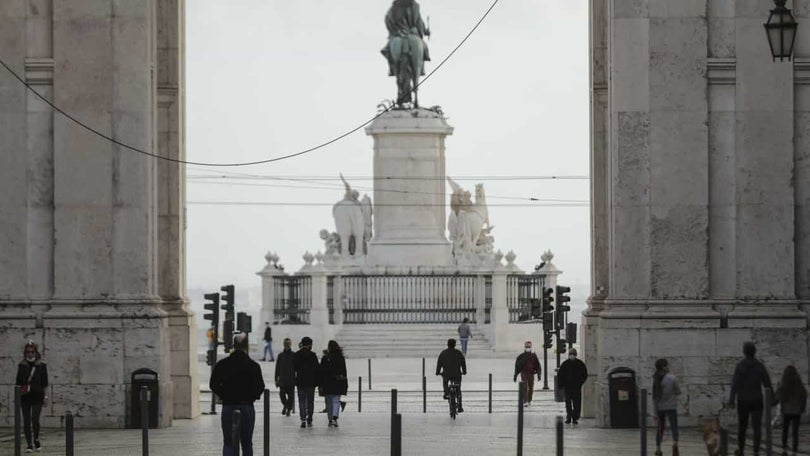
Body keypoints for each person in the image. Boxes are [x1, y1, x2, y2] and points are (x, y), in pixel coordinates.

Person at [209, 333, 265, 456]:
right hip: (247, 406)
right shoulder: (253, 366)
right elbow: (260, 386)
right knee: (246, 442)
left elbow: (213, 384)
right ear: (246, 346)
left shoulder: (223, 364)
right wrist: (252, 396)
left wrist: (224, 394)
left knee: (228, 441)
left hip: (228, 405)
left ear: (233, 345)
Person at [729, 341, 773, 456]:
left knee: (742, 427)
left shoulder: (740, 366)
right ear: (754, 351)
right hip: (757, 399)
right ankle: (756, 451)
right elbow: (767, 383)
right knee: (757, 427)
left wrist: (731, 400)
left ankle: (741, 450)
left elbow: (735, 384)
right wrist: (772, 398)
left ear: (744, 352)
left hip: (743, 400)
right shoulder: (759, 366)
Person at [15, 341, 48, 453]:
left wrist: (46, 396)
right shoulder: (21, 365)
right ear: (25, 352)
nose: (30, 354)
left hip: (38, 396)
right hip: (25, 396)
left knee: (35, 419)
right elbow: (18, 383)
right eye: (28, 352)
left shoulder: (41, 366)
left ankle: (36, 439)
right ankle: (29, 443)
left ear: (36, 352)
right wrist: (17, 397)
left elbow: (45, 383)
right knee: (26, 420)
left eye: (32, 351)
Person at [775, 365, 807, 455]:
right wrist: (802, 409)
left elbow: (777, 397)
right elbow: (804, 396)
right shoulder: (799, 385)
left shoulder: (784, 385)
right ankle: (794, 451)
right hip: (797, 412)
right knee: (795, 432)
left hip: (786, 411)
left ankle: (784, 449)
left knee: (785, 430)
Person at [652, 358, 680, 456]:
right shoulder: (672, 378)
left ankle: (658, 449)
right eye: (667, 365)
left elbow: (655, 397)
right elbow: (678, 391)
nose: (668, 366)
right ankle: (675, 444)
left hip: (659, 408)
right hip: (671, 406)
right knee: (674, 427)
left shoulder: (656, 379)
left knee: (660, 429)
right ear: (664, 367)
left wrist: (655, 413)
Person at [320, 340, 348, 428]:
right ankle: (335, 418)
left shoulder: (325, 358)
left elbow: (322, 371)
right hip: (338, 382)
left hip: (327, 383)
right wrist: (345, 383)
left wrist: (320, 384)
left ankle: (330, 419)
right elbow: (344, 371)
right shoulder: (340, 357)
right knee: (336, 400)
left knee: (329, 402)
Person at [293, 336, 320, 428]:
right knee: (310, 401)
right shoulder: (313, 355)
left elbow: (294, 367)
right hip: (311, 382)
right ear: (309, 345)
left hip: (300, 381)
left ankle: (303, 419)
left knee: (301, 401)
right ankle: (310, 419)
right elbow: (317, 369)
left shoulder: (297, 354)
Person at [558, 347, 588, 423]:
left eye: (573, 354)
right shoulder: (565, 364)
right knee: (568, 403)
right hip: (567, 387)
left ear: (576, 355)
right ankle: (569, 417)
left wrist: (580, 383)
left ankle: (574, 417)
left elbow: (584, 375)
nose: (572, 355)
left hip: (576, 387)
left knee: (576, 403)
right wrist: (561, 385)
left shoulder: (580, 364)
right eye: (571, 354)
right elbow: (560, 375)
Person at [436, 338, 466, 412]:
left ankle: (446, 393)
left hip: (446, 373)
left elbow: (439, 363)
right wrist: (464, 371)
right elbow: (463, 363)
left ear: (447, 344)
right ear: (455, 345)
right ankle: (459, 406)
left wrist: (438, 372)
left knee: (445, 382)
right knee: (458, 388)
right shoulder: (458, 353)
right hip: (457, 374)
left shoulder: (443, 353)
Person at [513, 341, 541, 407]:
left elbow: (538, 365)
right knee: (525, 386)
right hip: (524, 373)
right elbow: (517, 366)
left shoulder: (534, 356)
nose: (527, 348)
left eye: (528, 347)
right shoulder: (521, 356)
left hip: (531, 373)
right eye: (526, 347)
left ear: (531, 347)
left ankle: (529, 400)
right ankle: (525, 401)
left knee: (531, 388)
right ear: (524, 347)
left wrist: (538, 374)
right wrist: (515, 375)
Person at [274, 338, 296, 417]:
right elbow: (277, 368)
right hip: (282, 379)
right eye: (285, 343)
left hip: (291, 379)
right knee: (282, 396)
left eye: (288, 343)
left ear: (290, 344)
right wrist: (276, 379)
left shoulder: (294, 355)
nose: (287, 345)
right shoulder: (280, 355)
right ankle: (286, 406)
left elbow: (297, 368)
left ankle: (288, 409)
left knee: (291, 397)